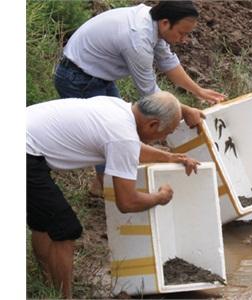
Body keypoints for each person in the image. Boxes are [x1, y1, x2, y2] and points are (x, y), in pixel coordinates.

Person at [27, 91, 200, 298]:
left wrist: (170, 158)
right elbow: (127, 202)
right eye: (166, 133)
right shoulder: (123, 136)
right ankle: (63, 297)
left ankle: (49, 287)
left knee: (45, 223)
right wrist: (160, 197)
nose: (163, 139)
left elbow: (131, 148)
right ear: (152, 124)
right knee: (66, 229)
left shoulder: (118, 109)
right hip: (25, 153)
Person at [54, 0, 225, 197]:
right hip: (78, 77)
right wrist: (185, 111)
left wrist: (199, 91)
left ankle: (105, 185)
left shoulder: (152, 20)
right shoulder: (138, 40)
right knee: (110, 134)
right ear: (165, 23)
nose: (184, 39)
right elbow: (150, 92)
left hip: (98, 75)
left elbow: (168, 61)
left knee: (125, 128)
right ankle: (108, 190)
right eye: (182, 33)